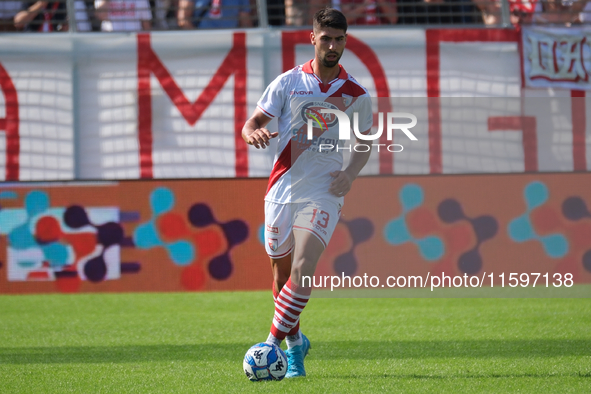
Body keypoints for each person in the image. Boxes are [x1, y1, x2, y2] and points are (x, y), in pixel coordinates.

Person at [241, 7, 373, 378]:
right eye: (326, 38)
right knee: (281, 278)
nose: (332, 46)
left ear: (346, 42)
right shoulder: (286, 83)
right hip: (282, 190)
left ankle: (269, 346)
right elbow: (253, 123)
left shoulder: (356, 94)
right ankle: (297, 344)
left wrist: (349, 173)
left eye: (339, 39)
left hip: (324, 193)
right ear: (312, 38)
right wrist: (251, 133)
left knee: (303, 267)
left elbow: (364, 144)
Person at [177, 0, 252, 29]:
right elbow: (183, 20)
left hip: (229, 47)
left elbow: (245, 23)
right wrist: (199, 40)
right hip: (200, 49)